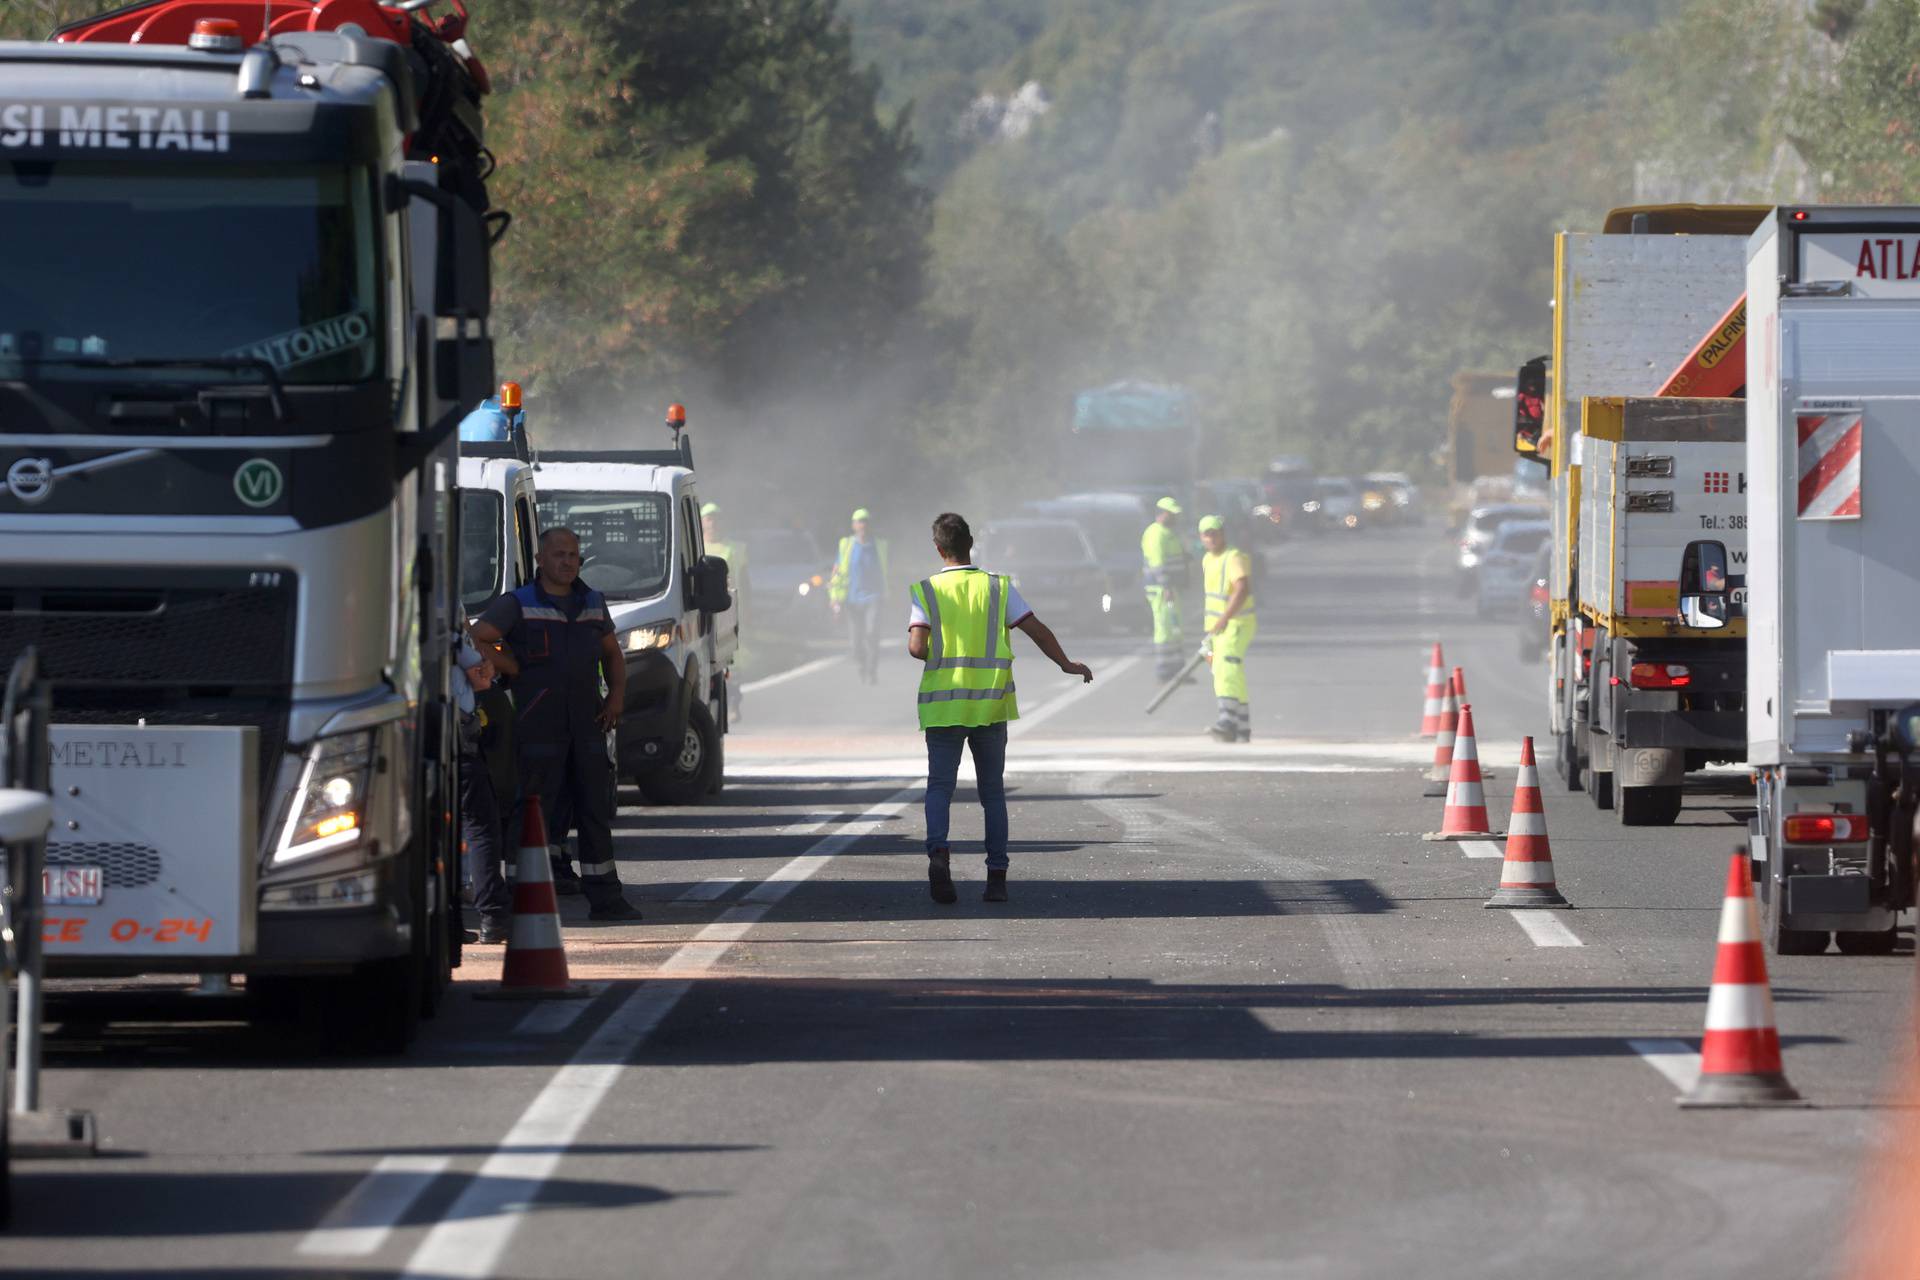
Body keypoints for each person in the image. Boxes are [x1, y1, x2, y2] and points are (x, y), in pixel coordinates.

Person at [907, 512, 1093, 903]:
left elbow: (917, 647)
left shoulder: (926, 591)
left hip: (944, 708)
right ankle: (996, 878)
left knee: (940, 787)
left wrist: (939, 657)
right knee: (992, 793)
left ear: (939, 549)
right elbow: (1037, 629)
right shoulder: (999, 588)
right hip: (990, 706)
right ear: (971, 544)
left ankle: (939, 852)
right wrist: (1066, 664)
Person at [471, 527, 642, 921]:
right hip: (536, 728)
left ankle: (606, 899)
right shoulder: (519, 602)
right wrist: (511, 666)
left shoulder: (593, 603)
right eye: (559, 555)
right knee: (531, 813)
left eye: (573, 555)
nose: (567, 562)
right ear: (540, 560)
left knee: (594, 813)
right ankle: (521, 897)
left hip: (587, 727)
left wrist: (616, 697)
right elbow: (479, 636)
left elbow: (613, 655)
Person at [455, 634, 511, 944]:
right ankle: (493, 916)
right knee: (480, 828)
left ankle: (446, 919)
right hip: (458, 739)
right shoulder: (447, 634)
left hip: (406, 740)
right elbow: (482, 674)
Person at [1198, 514, 1256, 743]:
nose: (1211, 538)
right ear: (1201, 537)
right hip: (1218, 628)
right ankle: (1242, 728)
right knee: (1230, 673)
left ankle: (1227, 721)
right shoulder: (1207, 560)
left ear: (1222, 534)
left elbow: (1242, 590)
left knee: (1226, 669)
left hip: (1238, 623)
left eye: (1215, 533)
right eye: (1207, 534)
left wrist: (1224, 619)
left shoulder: (1233, 558)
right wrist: (1211, 631)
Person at [829, 507, 891, 684]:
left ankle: (872, 670)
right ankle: (862, 663)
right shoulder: (846, 545)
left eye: (866, 521)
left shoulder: (879, 545)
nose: (863, 525)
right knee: (855, 643)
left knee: (871, 633)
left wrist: (888, 593)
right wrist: (834, 599)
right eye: (860, 521)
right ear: (853, 525)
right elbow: (836, 573)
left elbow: (886, 571)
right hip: (851, 599)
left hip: (874, 597)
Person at [701, 501, 747, 721]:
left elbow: (745, 582)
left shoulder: (734, 549)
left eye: (716, 519)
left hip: (728, 612)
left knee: (731, 660)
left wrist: (747, 608)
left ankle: (734, 703)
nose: (713, 523)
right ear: (701, 522)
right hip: (704, 614)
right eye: (708, 518)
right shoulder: (698, 548)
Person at [1141, 496, 1191, 683]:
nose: (1175, 518)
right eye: (1172, 514)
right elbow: (1158, 563)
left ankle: (1178, 670)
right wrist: (1166, 585)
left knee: (1175, 629)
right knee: (1164, 629)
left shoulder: (1168, 533)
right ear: (1162, 513)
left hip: (1170, 588)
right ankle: (1164, 670)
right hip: (1161, 589)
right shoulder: (1155, 534)